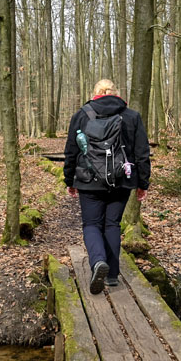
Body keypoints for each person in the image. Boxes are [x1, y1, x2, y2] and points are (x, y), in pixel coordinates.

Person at [64, 79, 151, 294]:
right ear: (116, 93)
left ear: (95, 93)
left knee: (92, 224)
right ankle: (112, 275)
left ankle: (98, 262)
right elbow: (142, 153)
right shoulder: (131, 116)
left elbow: (71, 151)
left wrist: (69, 180)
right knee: (112, 224)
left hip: (88, 180)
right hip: (121, 179)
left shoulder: (82, 115)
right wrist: (143, 183)